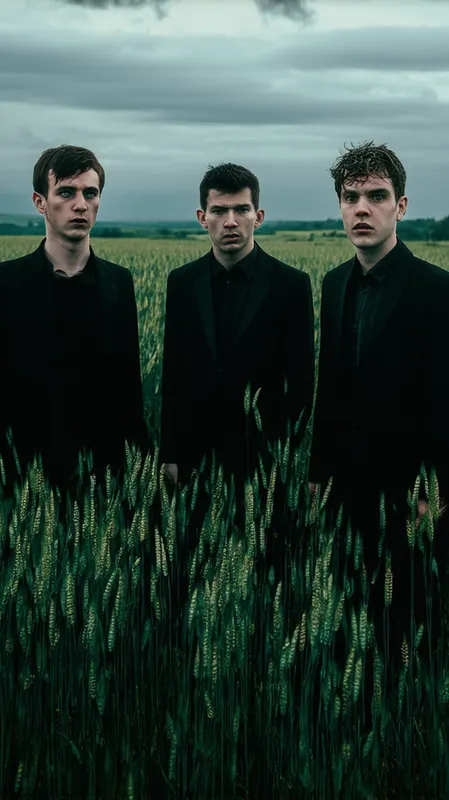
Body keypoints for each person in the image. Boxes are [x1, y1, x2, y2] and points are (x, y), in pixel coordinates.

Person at [308, 141, 449, 715]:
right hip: (346, 488)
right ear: (340, 207)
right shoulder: (333, 284)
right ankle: (355, 721)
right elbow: (329, 387)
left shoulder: (437, 289)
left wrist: (434, 489)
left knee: (410, 622)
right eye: (351, 197)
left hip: (410, 494)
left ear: (401, 206)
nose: (362, 208)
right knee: (351, 614)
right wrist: (317, 473)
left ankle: (409, 730)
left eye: (377, 196)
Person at [0, 145, 149, 494]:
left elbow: (129, 389)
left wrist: (141, 471)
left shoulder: (119, 281)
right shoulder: (6, 282)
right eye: (66, 192)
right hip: (23, 479)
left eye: (90, 193)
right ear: (40, 202)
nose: (80, 204)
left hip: (102, 479)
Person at [160, 162, 315, 498]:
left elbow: (301, 384)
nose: (230, 221)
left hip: (264, 463)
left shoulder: (291, 284)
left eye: (241, 209)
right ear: (202, 218)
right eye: (219, 210)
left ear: (258, 216)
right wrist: (170, 453)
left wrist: (291, 460)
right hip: (196, 460)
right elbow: (173, 375)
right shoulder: (182, 282)